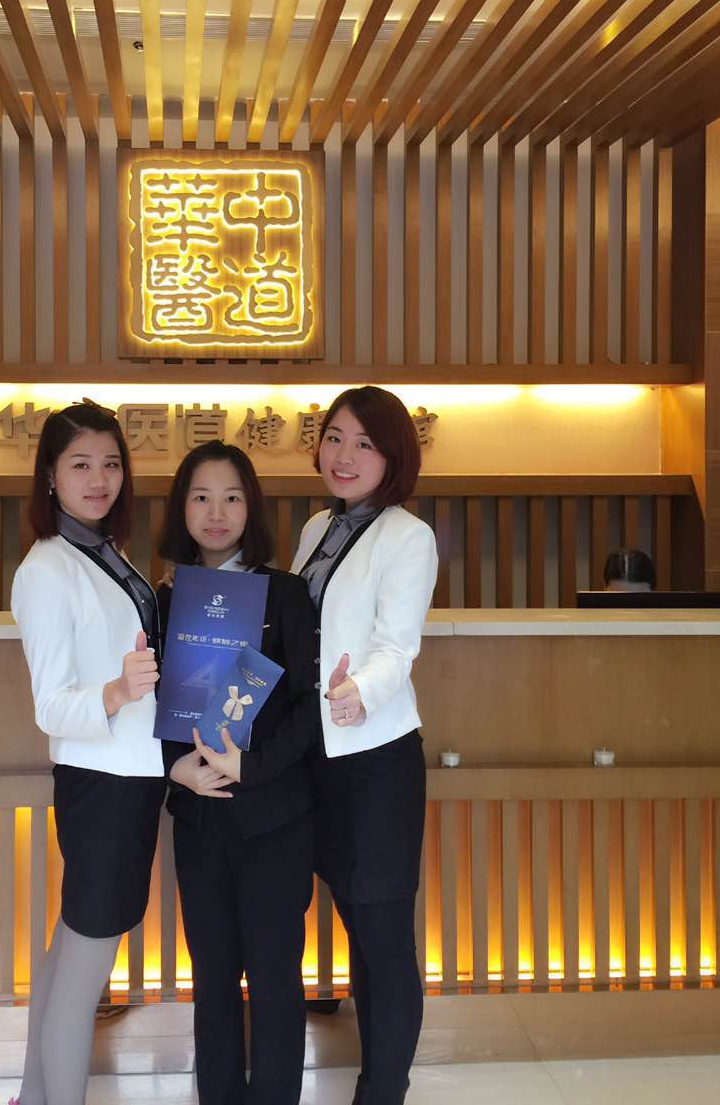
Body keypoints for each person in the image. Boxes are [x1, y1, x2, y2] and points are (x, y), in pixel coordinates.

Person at [9, 400, 166, 1105]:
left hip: (126, 781)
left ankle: (33, 1096)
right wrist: (116, 691)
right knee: (81, 978)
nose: (99, 479)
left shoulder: (103, 552)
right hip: (103, 789)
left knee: (69, 955)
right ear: (50, 476)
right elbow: (51, 707)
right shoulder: (47, 569)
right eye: (80, 465)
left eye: (110, 464)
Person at [158, 440, 320, 1105]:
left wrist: (250, 768)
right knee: (213, 979)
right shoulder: (164, 600)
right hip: (200, 820)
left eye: (231, 497)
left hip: (276, 819)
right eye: (201, 497)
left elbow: (309, 709)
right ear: (182, 508)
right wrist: (175, 770)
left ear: (250, 507)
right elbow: (149, 707)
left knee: (276, 979)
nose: (216, 512)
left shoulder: (286, 594)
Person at [291, 386, 438, 1105]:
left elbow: (396, 646)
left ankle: (382, 1091)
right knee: (353, 920)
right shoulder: (316, 527)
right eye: (334, 437)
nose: (343, 455)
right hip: (315, 761)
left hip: (375, 761)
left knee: (382, 940)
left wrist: (361, 691)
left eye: (364, 443)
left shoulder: (408, 537)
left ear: (393, 456)